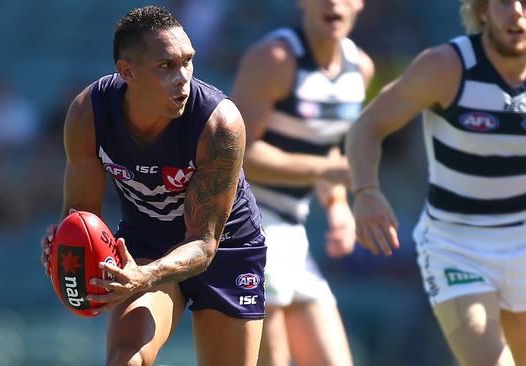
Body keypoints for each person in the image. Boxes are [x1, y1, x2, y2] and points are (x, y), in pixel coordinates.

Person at [40, 6, 266, 366]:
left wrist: (144, 277)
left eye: (188, 62)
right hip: (145, 243)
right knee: (125, 361)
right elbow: (82, 216)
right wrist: (66, 244)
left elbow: (204, 245)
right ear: (127, 71)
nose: (183, 78)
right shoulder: (90, 114)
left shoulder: (219, 124)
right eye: (166, 66)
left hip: (227, 247)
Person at [345, 0, 526, 365]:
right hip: (458, 249)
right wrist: (366, 192)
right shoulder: (447, 65)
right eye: (505, 1)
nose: (517, 12)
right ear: (483, 10)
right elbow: (367, 127)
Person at [231, 1, 373, 365]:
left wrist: (338, 207)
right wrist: (326, 172)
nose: (333, 3)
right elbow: (236, 155)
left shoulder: (361, 69)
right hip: (249, 225)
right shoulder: (275, 58)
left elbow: (331, 152)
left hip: (293, 230)